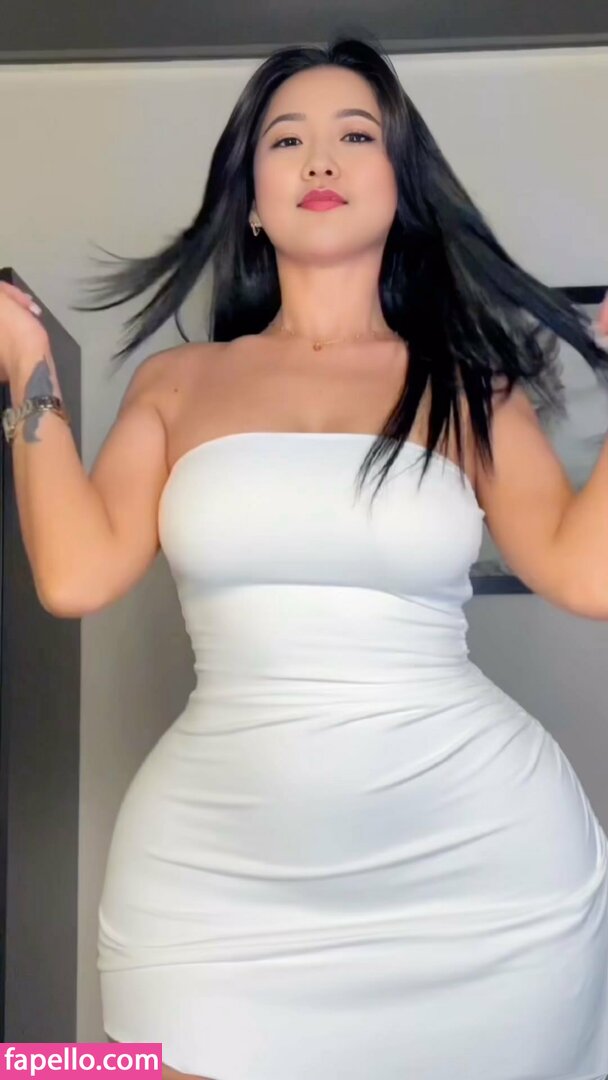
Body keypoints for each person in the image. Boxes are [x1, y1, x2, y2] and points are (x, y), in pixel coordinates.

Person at [2, 30, 608, 1080]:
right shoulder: (177, 386)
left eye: (354, 135)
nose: (319, 159)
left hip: (476, 872)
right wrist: (25, 371)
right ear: (249, 198)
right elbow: (74, 575)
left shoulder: (469, 387)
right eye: (285, 140)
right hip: (214, 879)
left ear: (400, 185)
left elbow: (584, 572)